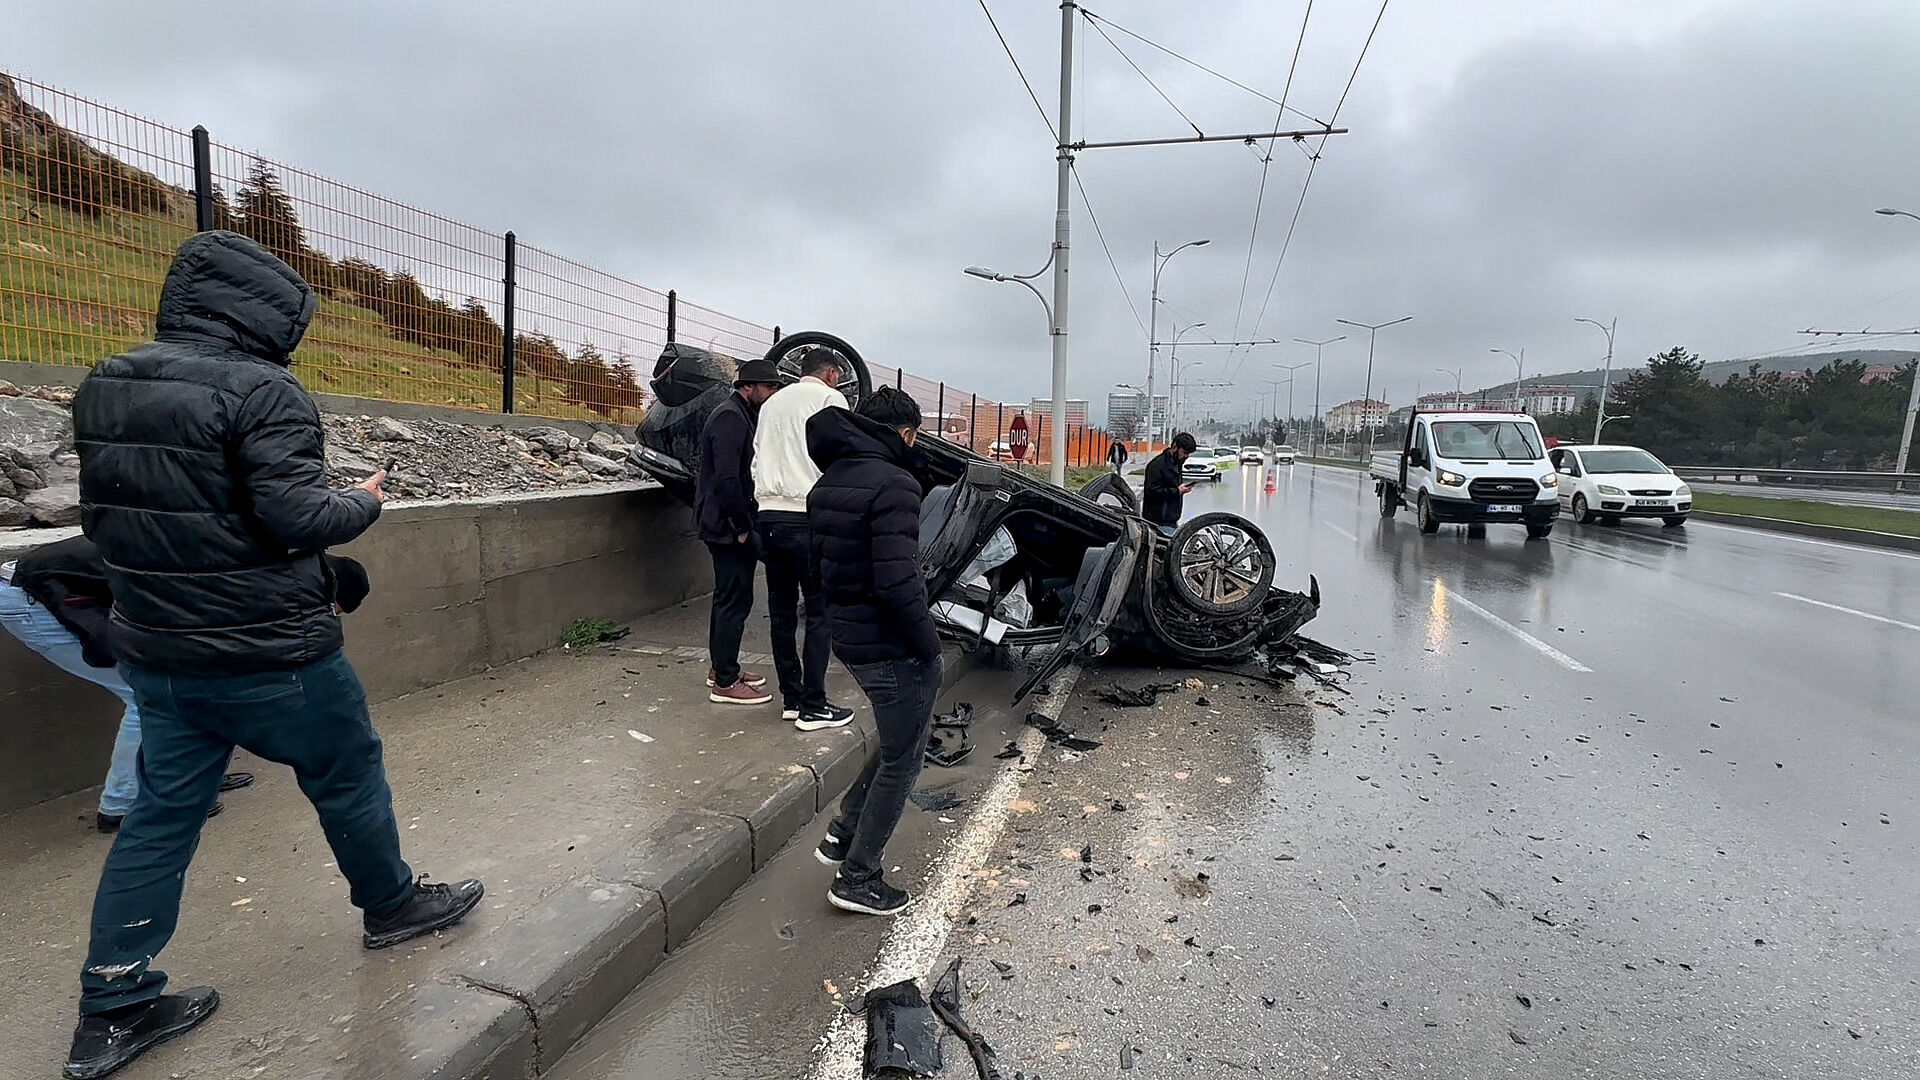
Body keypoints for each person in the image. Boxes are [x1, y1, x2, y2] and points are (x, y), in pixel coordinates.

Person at [62, 230, 482, 1080]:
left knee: (160, 816)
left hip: (160, 654)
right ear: (262, 316)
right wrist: (360, 503)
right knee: (348, 773)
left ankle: (113, 1008)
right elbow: (297, 519)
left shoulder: (105, 382)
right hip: (271, 652)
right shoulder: (265, 392)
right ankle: (392, 906)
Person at [1, 536, 253, 832]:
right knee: (148, 695)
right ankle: (121, 806)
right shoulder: (188, 562)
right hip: (32, 598)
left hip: (74, 590)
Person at [804, 387, 943, 917]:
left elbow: (818, 573)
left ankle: (842, 833)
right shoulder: (896, 484)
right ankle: (857, 877)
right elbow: (897, 582)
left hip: (852, 639)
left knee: (896, 739)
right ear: (905, 433)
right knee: (904, 759)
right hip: (891, 646)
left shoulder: (828, 482)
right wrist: (928, 646)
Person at [750, 347, 855, 730]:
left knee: (780, 614)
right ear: (830, 374)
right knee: (819, 613)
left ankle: (791, 699)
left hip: (769, 517)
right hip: (810, 517)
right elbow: (842, 457)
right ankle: (815, 705)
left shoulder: (772, 405)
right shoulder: (830, 399)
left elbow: (756, 458)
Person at [695, 356, 784, 705]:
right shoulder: (731, 418)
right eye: (769, 387)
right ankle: (727, 683)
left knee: (729, 598)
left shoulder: (740, 413)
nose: (774, 392)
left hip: (725, 524)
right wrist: (743, 526)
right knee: (734, 599)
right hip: (726, 526)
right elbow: (728, 478)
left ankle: (722, 668)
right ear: (749, 387)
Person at [1143, 432, 1198, 531]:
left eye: (1188, 454)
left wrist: (1180, 490)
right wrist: (1177, 491)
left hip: (1170, 521)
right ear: (1175, 448)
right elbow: (1152, 492)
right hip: (1158, 522)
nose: (1186, 456)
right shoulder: (1157, 465)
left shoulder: (1177, 463)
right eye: (1185, 452)